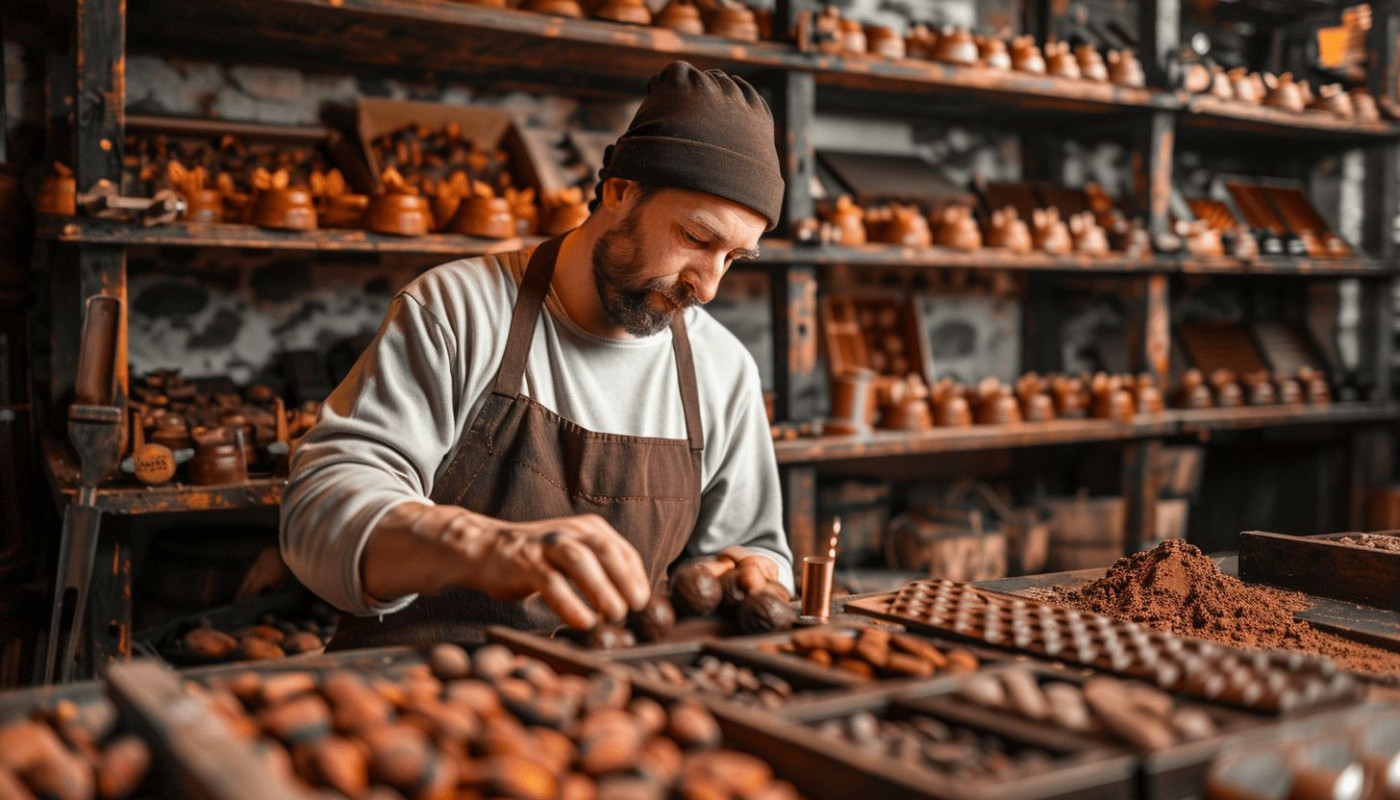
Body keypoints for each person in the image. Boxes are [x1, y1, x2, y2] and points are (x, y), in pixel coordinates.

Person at [281, 61, 794, 648]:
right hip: (420, 684)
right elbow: (317, 515)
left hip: (616, 691)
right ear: (621, 192)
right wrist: (484, 546)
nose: (707, 287)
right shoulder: (457, 310)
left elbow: (755, 549)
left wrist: (748, 574)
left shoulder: (722, 368)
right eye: (696, 238)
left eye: (733, 258)